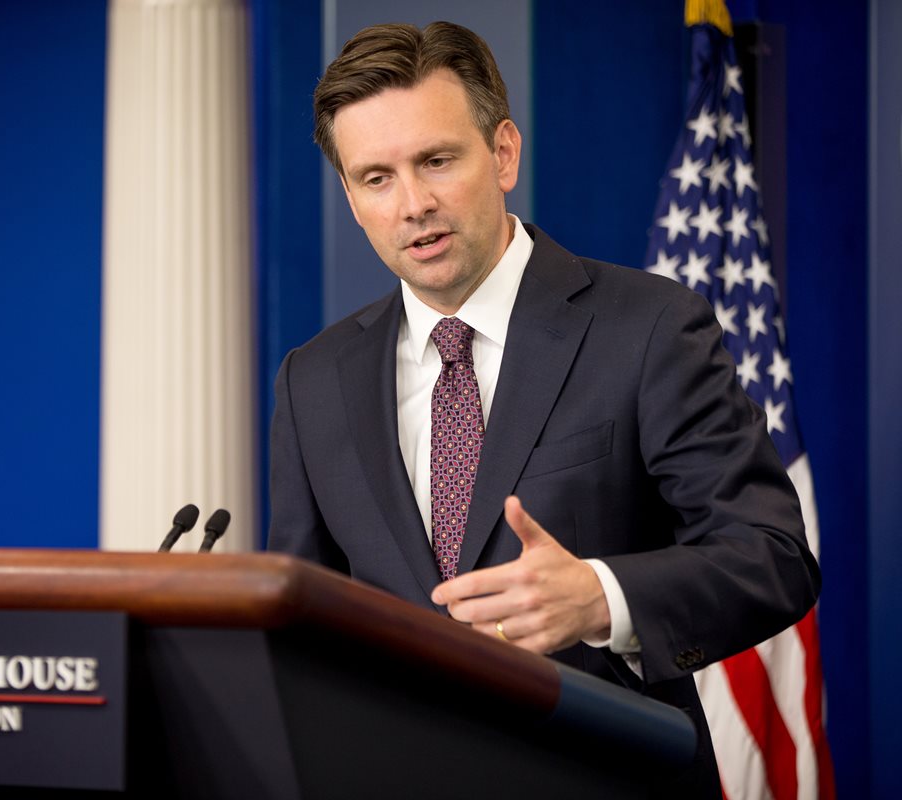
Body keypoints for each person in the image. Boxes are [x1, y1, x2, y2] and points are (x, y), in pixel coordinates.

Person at [267, 20, 820, 794]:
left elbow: (772, 556)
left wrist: (603, 598)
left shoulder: (651, 327)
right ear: (352, 198)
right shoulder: (312, 379)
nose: (413, 204)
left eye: (436, 160)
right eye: (376, 177)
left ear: (502, 153)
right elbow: (302, 627)